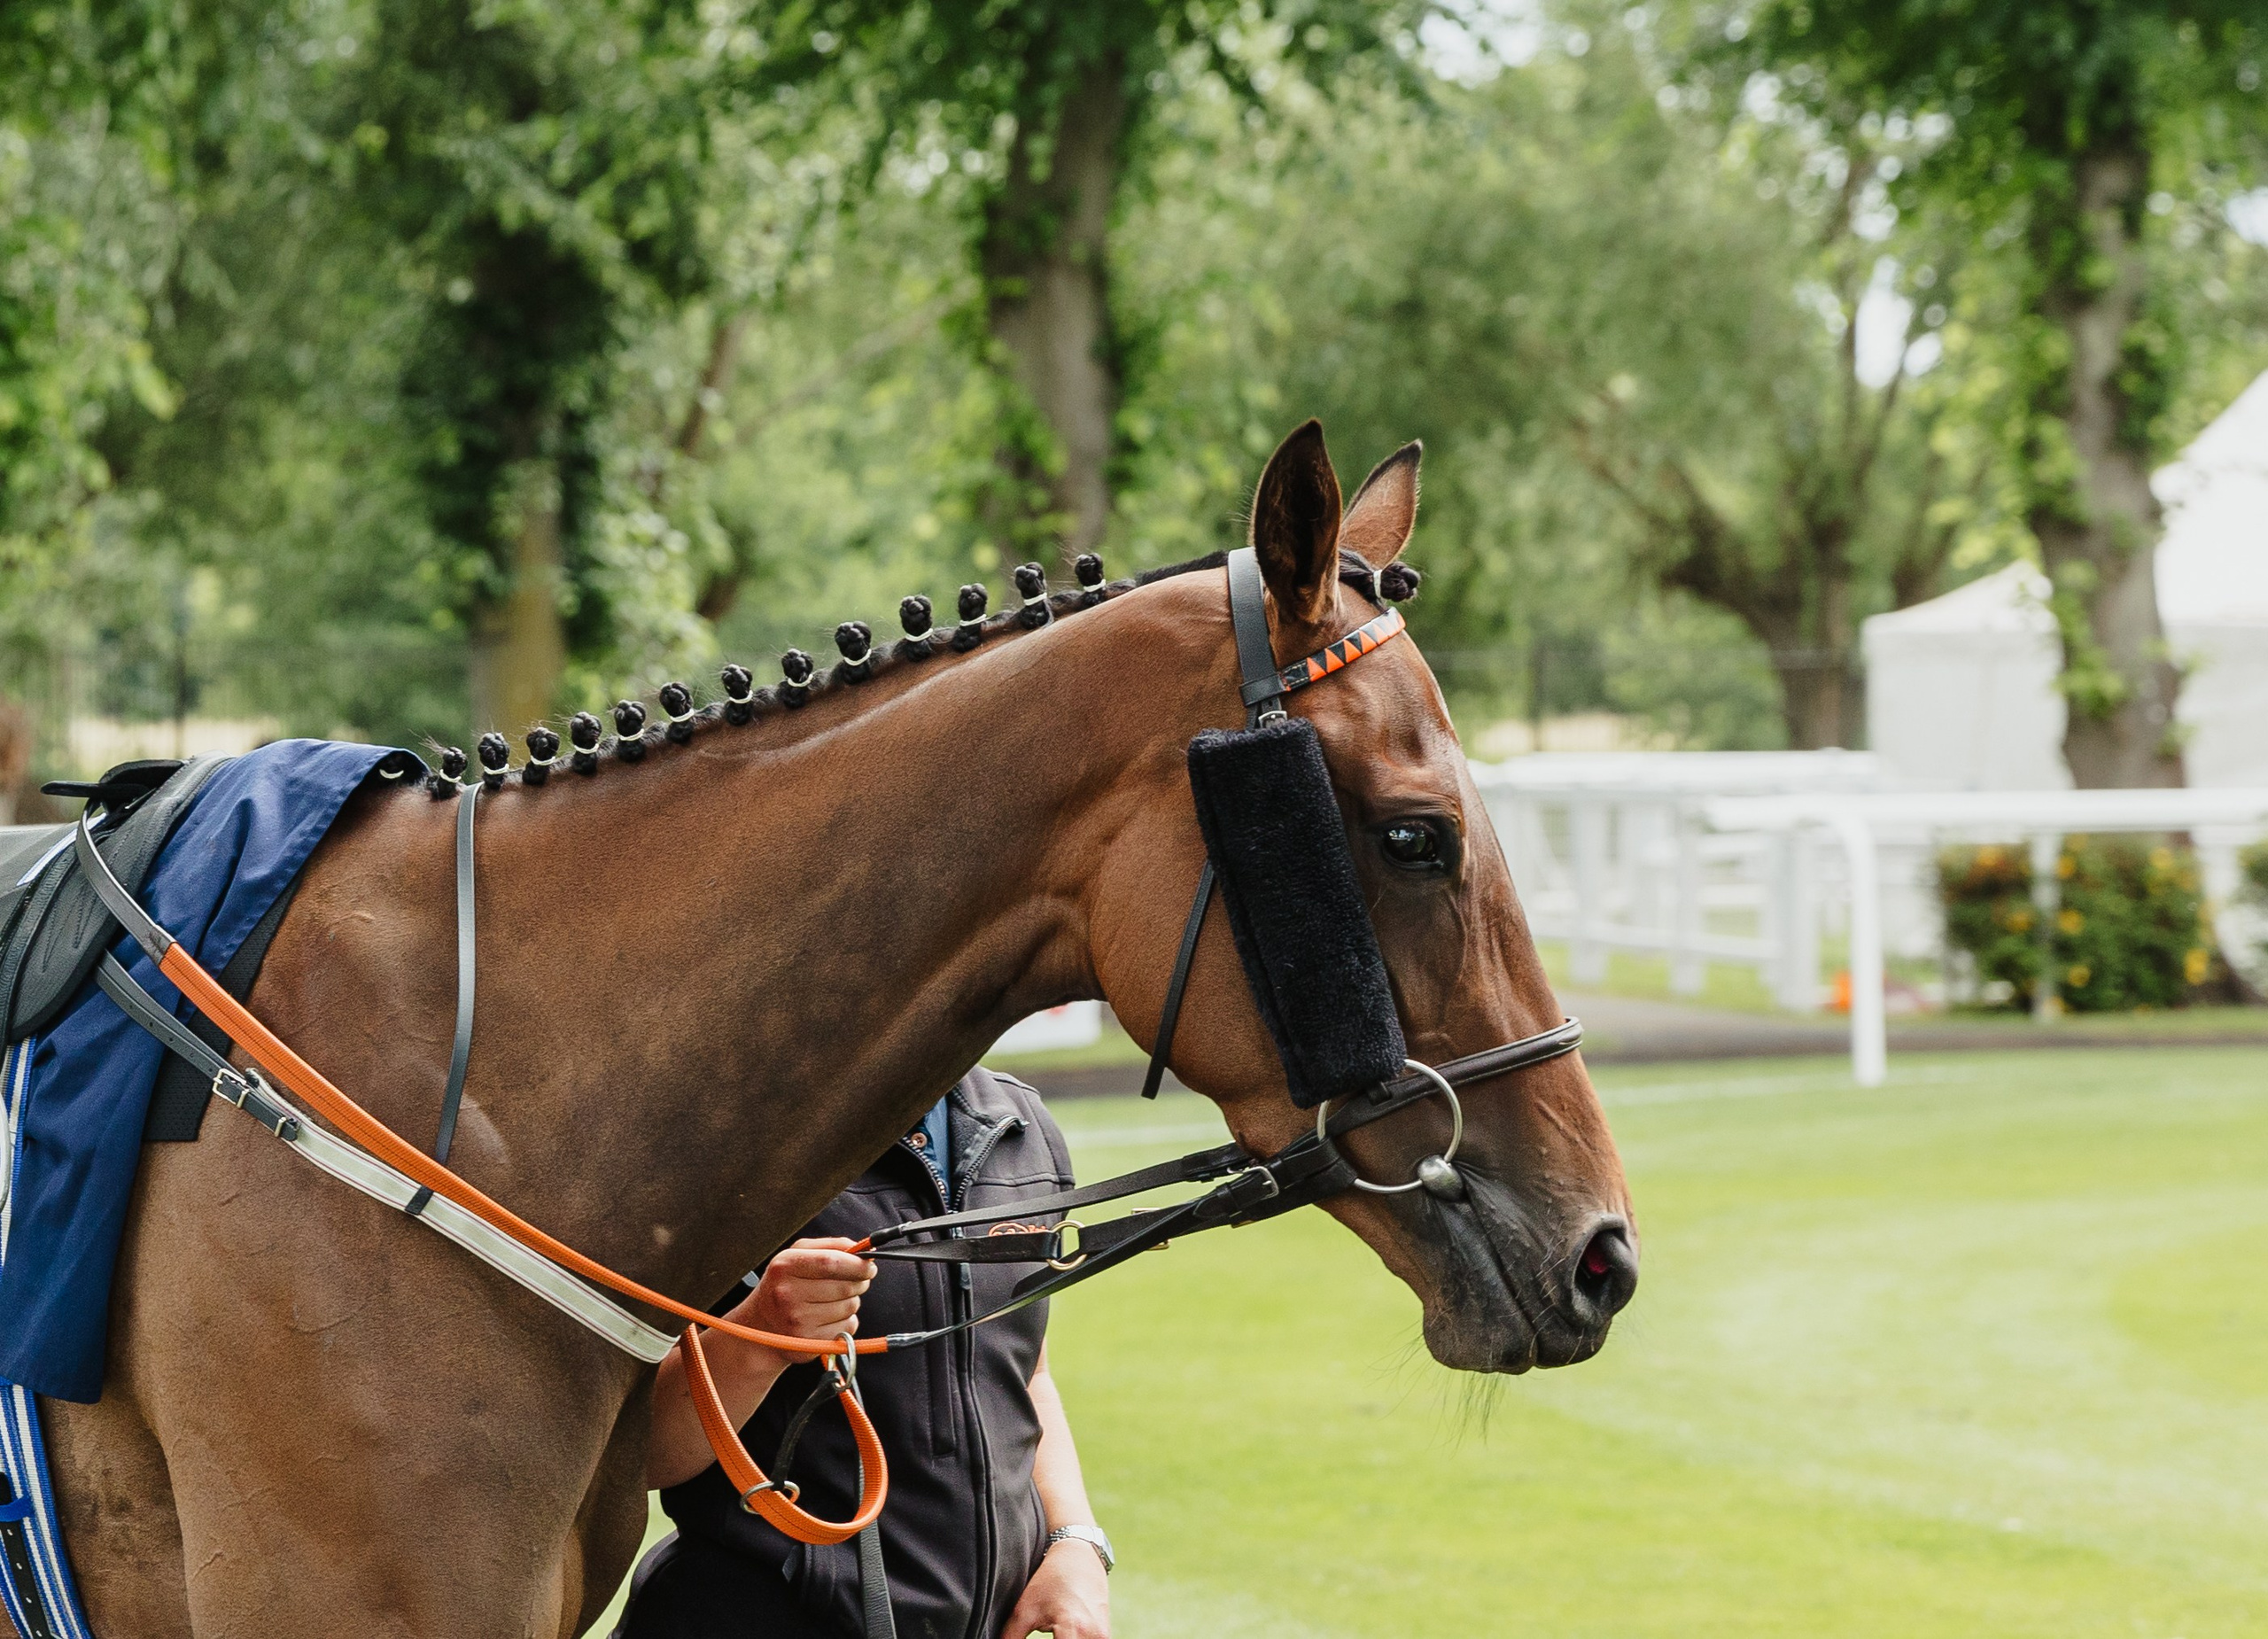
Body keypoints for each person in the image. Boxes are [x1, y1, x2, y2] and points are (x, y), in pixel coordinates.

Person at [617, 1066, 1113, 1639]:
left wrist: (1075, 1541)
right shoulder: (719, 1123)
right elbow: (638, 1455)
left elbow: (1025, 1373)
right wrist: (761, 1334)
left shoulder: (1021, 1122)